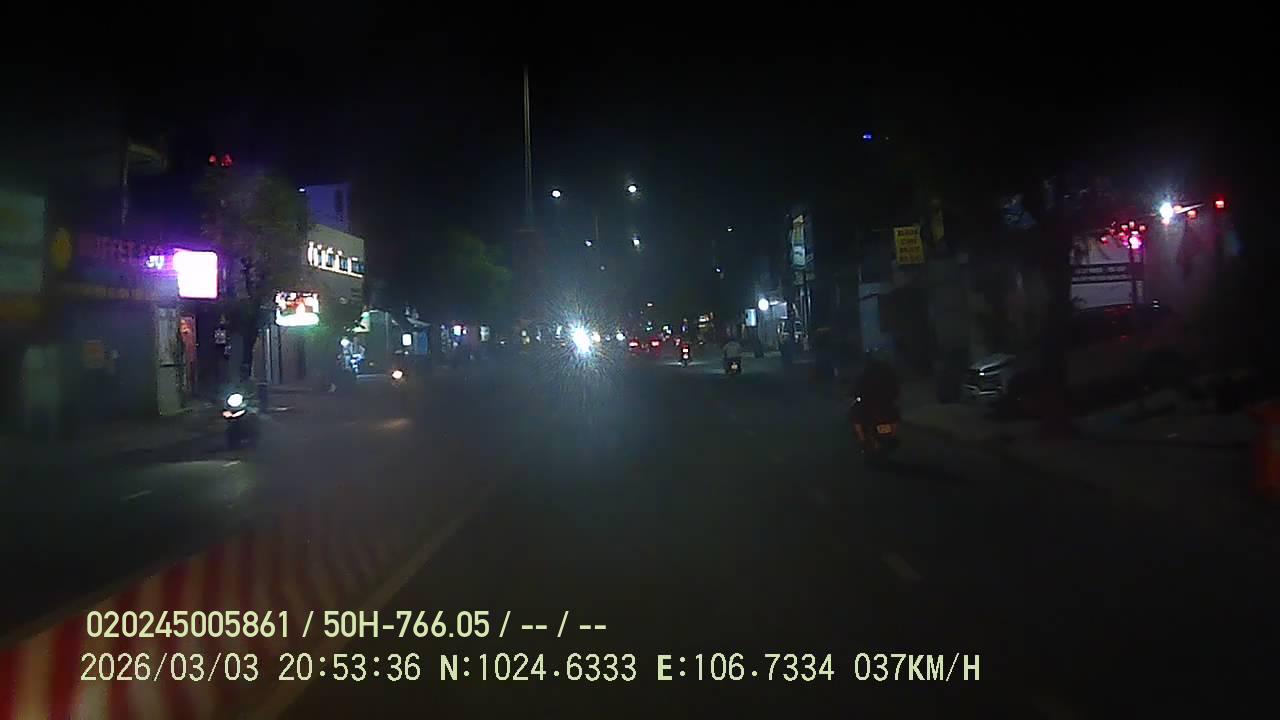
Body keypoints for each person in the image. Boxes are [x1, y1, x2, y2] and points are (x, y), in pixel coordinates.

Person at [849, 350, 901, 432]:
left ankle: (861, 437)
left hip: (870, 402)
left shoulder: (865, 374)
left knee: (855, 416)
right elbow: (895, 387)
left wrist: (855, 395)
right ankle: (894, 433)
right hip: (886, 401)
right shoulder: (888, 371)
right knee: (894, 414)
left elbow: (856, 388)